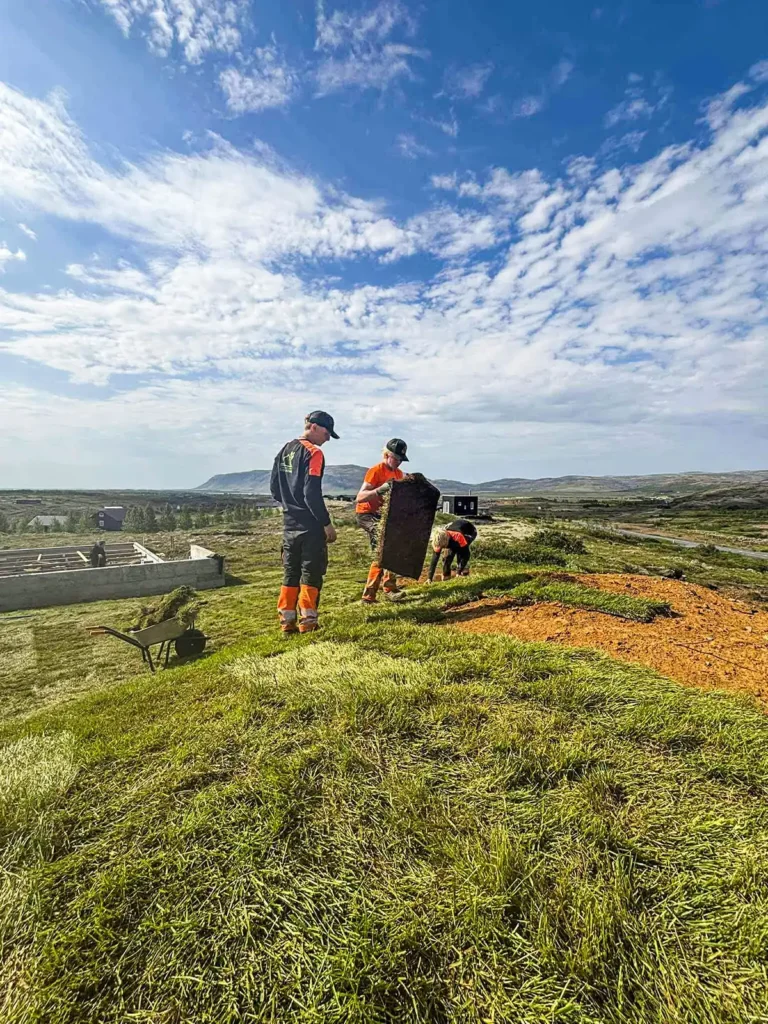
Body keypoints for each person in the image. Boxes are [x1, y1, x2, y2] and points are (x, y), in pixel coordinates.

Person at [270, 411, 339, 634]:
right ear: (315, 427)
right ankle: (308, 622)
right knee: (311, 573)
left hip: (289, 526)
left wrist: (291, 508)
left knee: (290, 573)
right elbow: (312, 494)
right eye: (327, 433)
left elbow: (274, 489)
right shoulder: (314, 453)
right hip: (310, 527)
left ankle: (286, 621)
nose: (328, 439)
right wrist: (326, 523)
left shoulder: (283, 450)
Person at [356, 438, 409, 603]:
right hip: (367, 514)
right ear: (387, 455)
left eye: (401, 460)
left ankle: (390, 587)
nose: (399, 462)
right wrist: (379, 490)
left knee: (392, 549)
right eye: (397, 459)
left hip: (382, 516)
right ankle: (369, 595)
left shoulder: (398, 474)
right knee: (381, 550)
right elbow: (360, 497)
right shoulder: (375, 471)